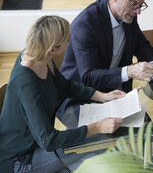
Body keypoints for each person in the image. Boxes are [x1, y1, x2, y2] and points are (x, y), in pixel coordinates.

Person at [0, 16, 126, 173]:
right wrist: (97, 126)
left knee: (100, 147)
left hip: (38, 143)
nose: (70, 40)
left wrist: (100, 95)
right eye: (67, 39)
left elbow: (64, 86)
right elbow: (49, 140)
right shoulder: (26, 83)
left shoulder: (41, 56)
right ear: (52, 49)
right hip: (20, 159)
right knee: (95, 153)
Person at [60, 0, 153, 93]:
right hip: (83, 94)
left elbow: (141, 45)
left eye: (140, 5)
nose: (138, 11)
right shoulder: (85, 25)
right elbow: (88, 77)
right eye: (133, 4)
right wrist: (130, 71)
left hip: (116, 92)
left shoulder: (128, 15)